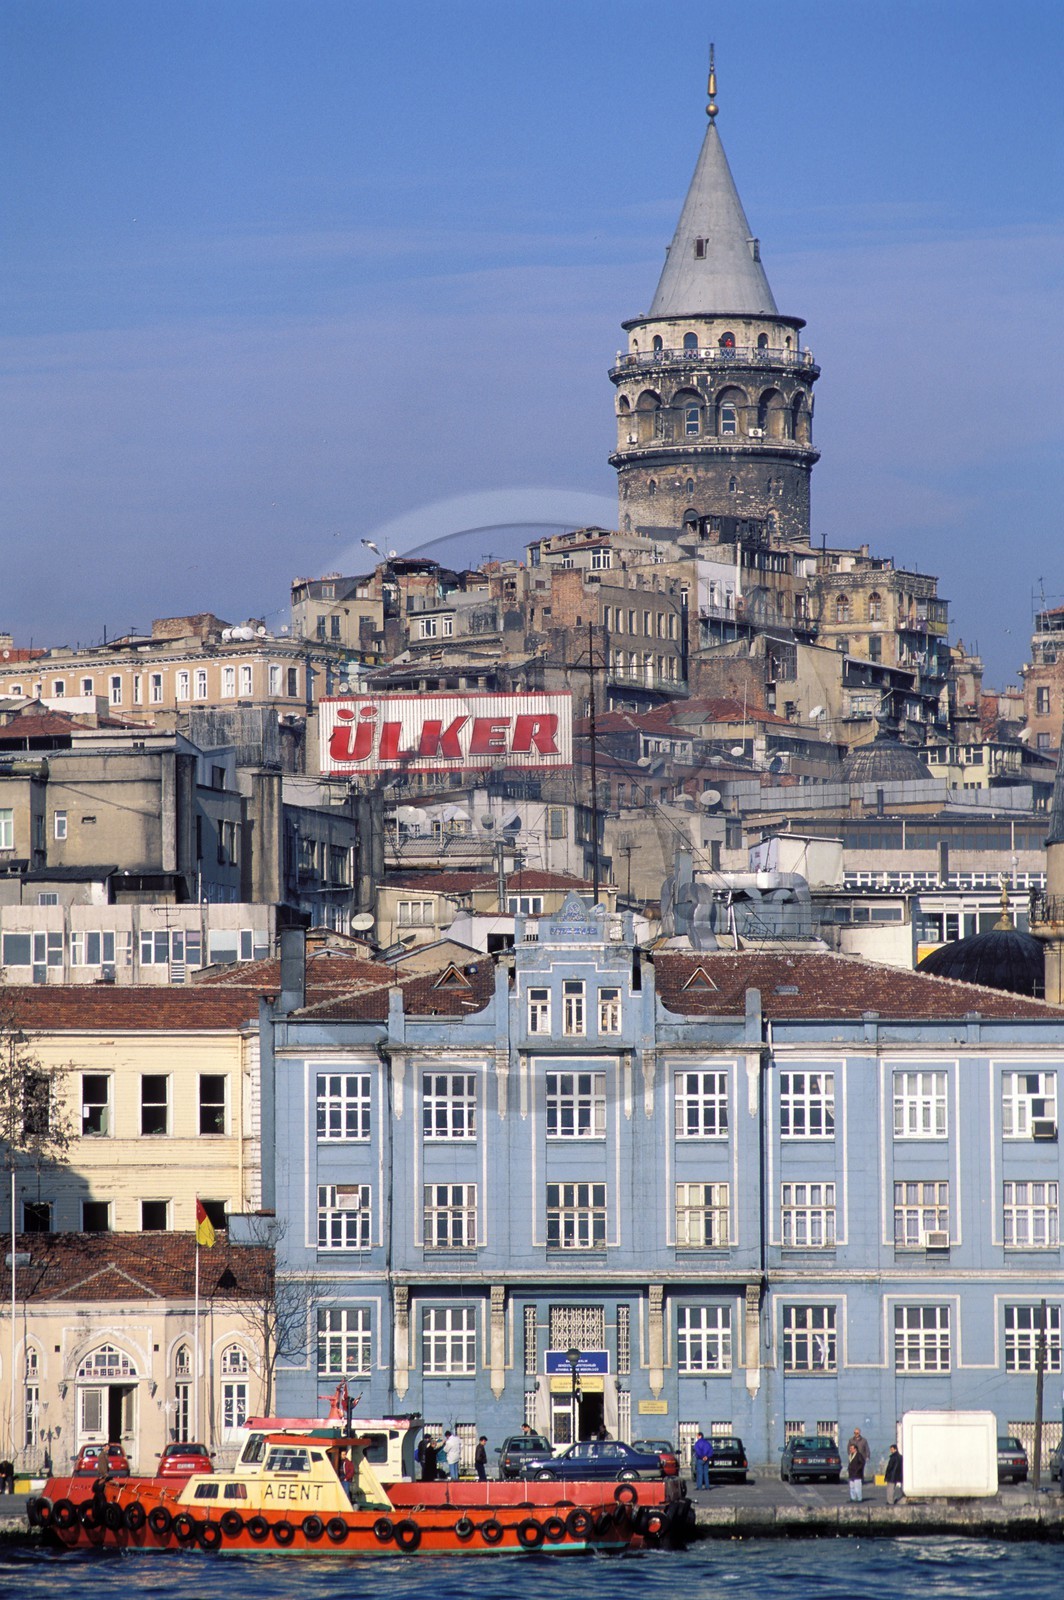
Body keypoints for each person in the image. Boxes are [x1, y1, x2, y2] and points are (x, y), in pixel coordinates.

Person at [847, 1431, 869, 1503]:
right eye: (850, 1448)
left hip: (857, 1474)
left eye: (851, 1448)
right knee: (852, 1487)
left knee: (857, 1487)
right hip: (851, 1474)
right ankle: (852, 1498)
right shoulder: (850, 1455)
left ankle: (859, 1498)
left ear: (855, 1449)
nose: (850, 1450)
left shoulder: (859, 1455)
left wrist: (858, 1470)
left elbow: (861, 1464)